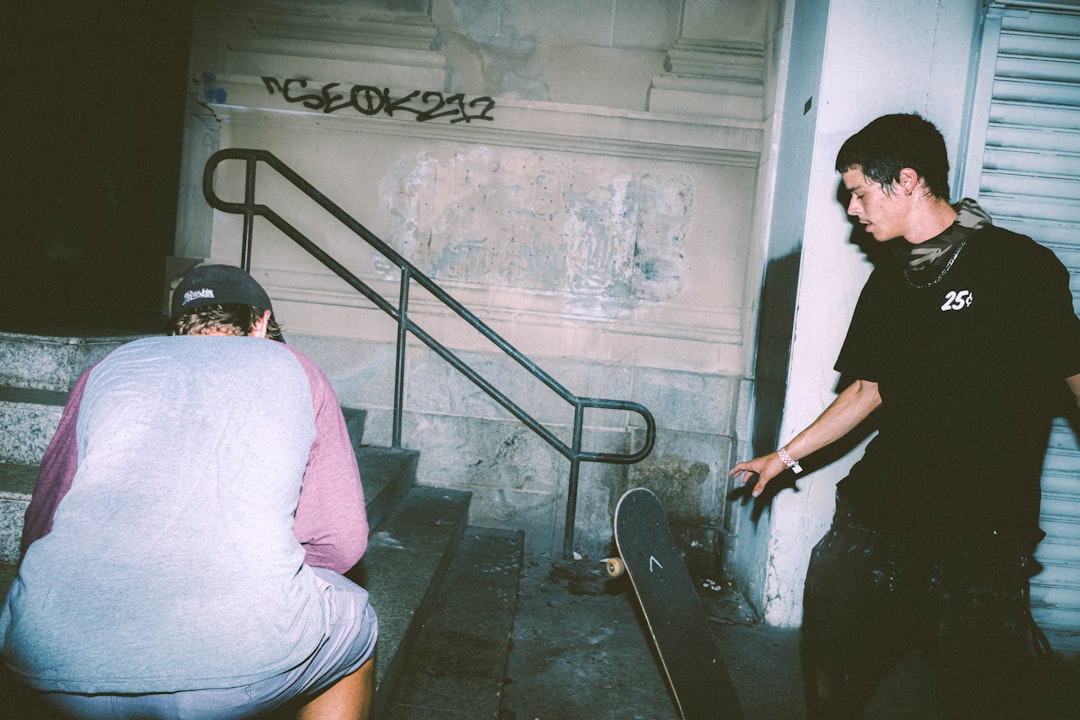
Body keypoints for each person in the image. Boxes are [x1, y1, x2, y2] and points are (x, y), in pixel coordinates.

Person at [730, 113, 1080, 719]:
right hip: (878, 520)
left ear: (908, 180)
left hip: (981, 535)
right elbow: (867, 389)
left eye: (861, 193)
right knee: (832, 675)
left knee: (986, 695)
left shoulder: (1021, 270)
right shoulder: (890, 283)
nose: (854, 211)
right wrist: (784, 457)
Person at [1, 264, 378, 720]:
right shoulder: (293, 366)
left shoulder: (112, 366)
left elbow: (43, 518)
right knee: (357, 622)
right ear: (260, 323)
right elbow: (342, 539)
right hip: (232, 664)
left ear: (178, 326)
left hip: (49, 654)